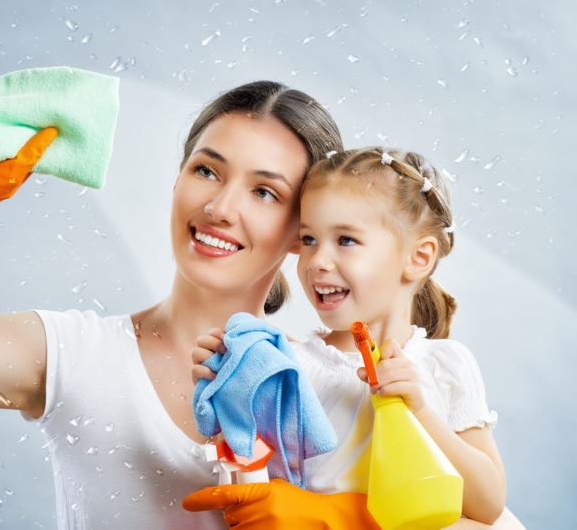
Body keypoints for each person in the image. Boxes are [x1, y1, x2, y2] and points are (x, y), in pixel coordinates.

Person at [0, 80, 369, 528]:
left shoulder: (335, 385)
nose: (221, 207)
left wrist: (333, 520)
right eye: (207, 170)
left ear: (303, 230)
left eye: (264, 192)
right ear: (177, 179)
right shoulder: (77, 354)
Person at [188, 148, 519, 527]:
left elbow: (488, 505)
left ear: (418, 258)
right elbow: (251, 476)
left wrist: (421, 411)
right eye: (308, 239)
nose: (317, 261)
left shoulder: (445, 367)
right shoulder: (290, 366)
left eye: (345, 240)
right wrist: (228, 392)